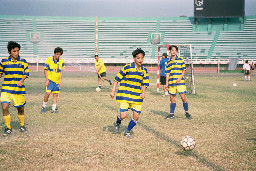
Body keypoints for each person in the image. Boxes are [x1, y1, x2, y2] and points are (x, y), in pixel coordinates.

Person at [110, 48, 149, 138]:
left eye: (142, 58)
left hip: (137, 96)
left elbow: (144, 83)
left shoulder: (144, 70)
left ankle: (127, 131)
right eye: (138, 58)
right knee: (123, 115)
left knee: (136, 116)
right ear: (134, 58)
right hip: (125, 95)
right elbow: (117, 79)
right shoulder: (127, 67)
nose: (140, 60)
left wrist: (143, 93)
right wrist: (113, 91)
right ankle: (117, 122)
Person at [0, 41, 29, 136]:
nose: (16, 53)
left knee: (20, 109)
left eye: (17, 51)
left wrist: (21, 80)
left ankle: (22, 125)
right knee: (4, 107)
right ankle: (8, 128)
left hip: (18, 90)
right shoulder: (3, 61)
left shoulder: (23, 61)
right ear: (9, 52)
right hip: (6, 89)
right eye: (14, 51)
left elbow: (26, 73)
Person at [165, 45, 192, 120]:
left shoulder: (180, 59)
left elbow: (184, 70)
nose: (173, 51)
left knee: (183, 98)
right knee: (172, 99)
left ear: (176, 51)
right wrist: (166, 84)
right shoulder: (168, 61)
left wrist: (180, 78)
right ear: (170, 51)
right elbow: (167, 73)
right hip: (171, 83)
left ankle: (187, 112)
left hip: (180, 83)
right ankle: (171, 114)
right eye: (172, 50)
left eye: (175, 50)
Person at [41, 47, 65, 114]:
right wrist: (47, 80)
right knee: (48, 93)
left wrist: (60, 81)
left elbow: (61, 72)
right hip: (50, 80)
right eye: (57, 54)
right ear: (55, 53)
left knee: (55, 94)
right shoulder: (49, 59)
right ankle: (43, 106)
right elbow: (45, 70)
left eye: (59, 54)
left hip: (57, 81)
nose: (58, 56)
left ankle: (54, 109)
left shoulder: (61, 61)